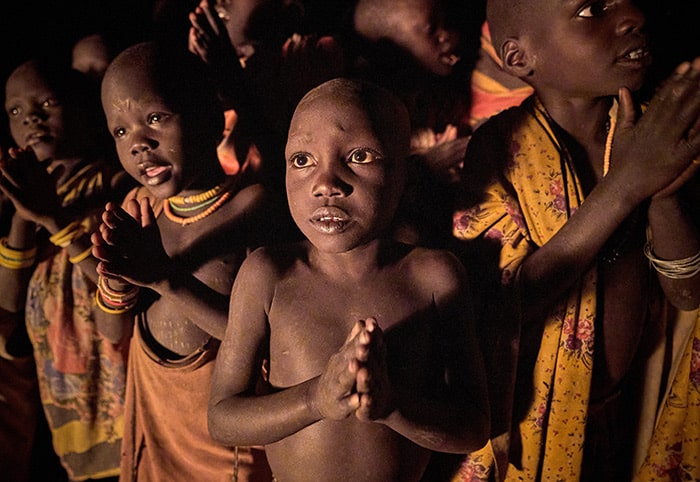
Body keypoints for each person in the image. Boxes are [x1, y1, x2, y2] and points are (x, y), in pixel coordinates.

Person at [452, 0, 700, 480]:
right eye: (591, 10)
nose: (632, 16)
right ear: (520, 58)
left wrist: (662, 189)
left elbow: (688, 293)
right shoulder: (501, 151)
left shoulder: (659, 133)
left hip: (631, 417)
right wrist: (627, 185)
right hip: (536, 431)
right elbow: (502, 307)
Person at [207, 77, 490, 482]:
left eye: (359, 156)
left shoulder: (434, 276)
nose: (325, 184)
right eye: (303, 160)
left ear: (405, 177)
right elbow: (222, 419)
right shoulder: (268, 275)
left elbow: (473, 427)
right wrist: (315, 400)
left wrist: (394, 407)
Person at [94, 40, 278, 481]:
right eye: (120, 131)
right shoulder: (139, 209)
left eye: (155, 118)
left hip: (226, 453)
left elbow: (270, 345)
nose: (139, 142)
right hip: (157, 436)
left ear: (212, 119)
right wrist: (119, 283)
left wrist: (164, 278)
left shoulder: (253, 209)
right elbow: (109, 331)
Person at [0, 57, 134, 481]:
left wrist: (52, 216)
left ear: (85, 113)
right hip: (68, 405)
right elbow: (7, 308)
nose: (31, 119)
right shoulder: (15, 208)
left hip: (118, 384)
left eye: (48, 103)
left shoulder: (113, 185)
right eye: (16, 111)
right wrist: (25, 213)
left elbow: (118, 287)